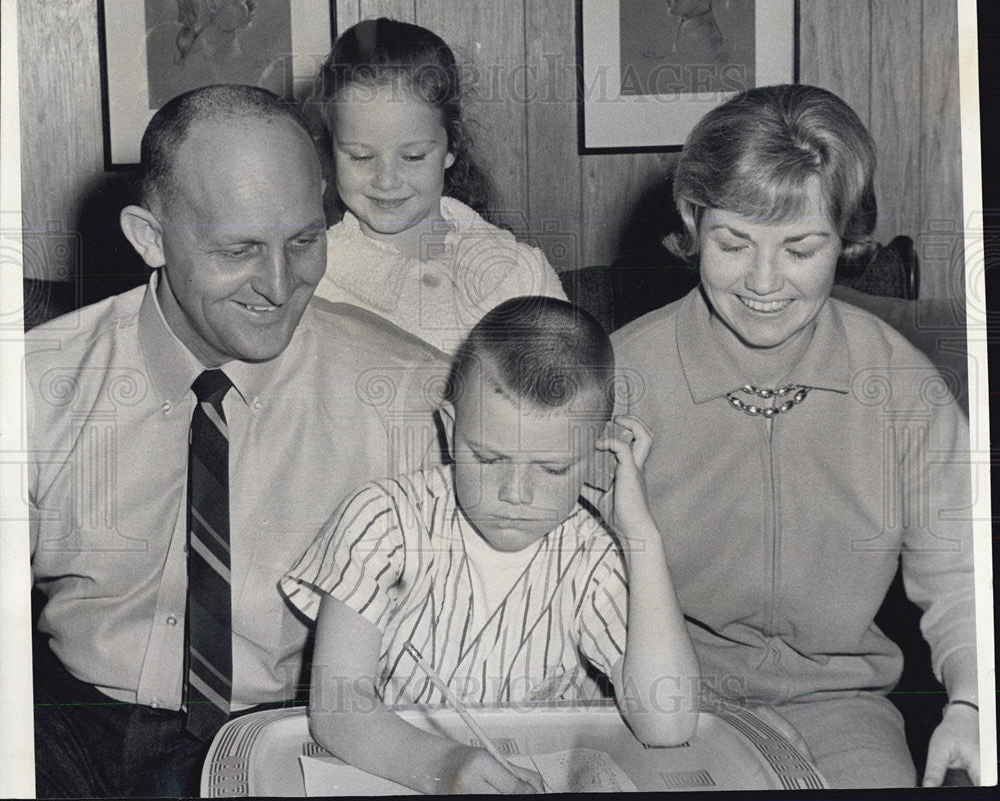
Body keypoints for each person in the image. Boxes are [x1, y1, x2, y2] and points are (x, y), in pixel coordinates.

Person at [26, 84, 445, 797]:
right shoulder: (35, 387)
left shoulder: (409, 392)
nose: (281, 286)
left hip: (298, 730)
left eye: (304, 241)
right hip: (73, 731)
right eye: (240, 249)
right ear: (148, 237)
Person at [612, 84, 978, 789]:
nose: (763, 281)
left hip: (844, 712)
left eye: (801, 248)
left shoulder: (905, 387)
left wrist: (968, 701)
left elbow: (962, 578)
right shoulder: (621, 376)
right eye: (733, 242)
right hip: (658, 704)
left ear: (848, 240)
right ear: (693, 222)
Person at [280, 296, 700, 794]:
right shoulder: (384, 522)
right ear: (451, 429)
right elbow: (337, 710)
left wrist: (640, 536)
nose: (514, 495)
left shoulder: (593, 555)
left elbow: (668, 725)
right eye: (488, 459)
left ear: (596, 456)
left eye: (551, 469)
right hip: (402, 772)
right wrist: (447, 768)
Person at [301, 18, 567, 355]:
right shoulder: (312, 279)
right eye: (360, 156)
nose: (386, 180)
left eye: (412, 157)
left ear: (450, 147)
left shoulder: (518, 272)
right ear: (330, 149)